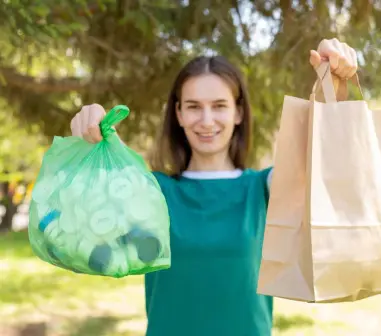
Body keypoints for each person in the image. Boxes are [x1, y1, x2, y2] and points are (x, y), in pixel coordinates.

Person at [70, 38, 358, 336]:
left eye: (219, 106)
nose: (206, 121)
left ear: (239, 113)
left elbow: (319, 154)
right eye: (194, 107)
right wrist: (89, 133)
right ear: (178, 114)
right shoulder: (154, 191)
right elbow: (86, 211)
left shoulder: (262, 189)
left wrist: (332, 82)